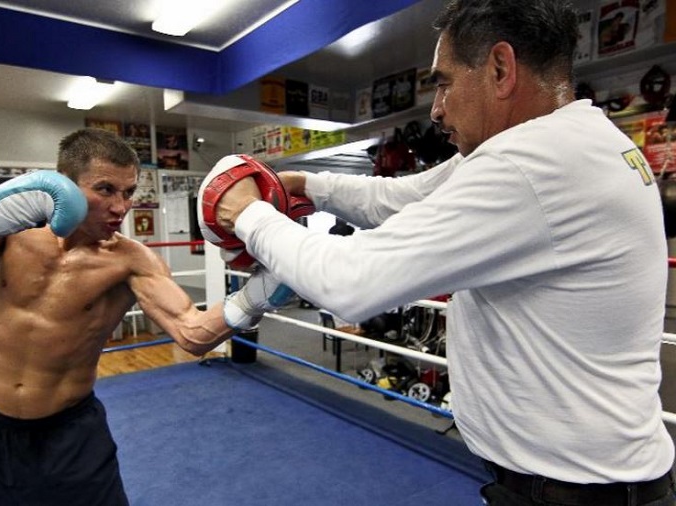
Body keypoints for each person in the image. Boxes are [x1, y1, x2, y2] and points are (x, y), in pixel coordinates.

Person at [212, 1, 676, 504]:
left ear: (500, 69)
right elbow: (400, 196)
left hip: (574, 490)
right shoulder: (567, 140)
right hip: (568, 481)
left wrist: (245, 213)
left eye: (444, 82)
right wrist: (302, 184)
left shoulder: (530, 166)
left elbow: (349, 281)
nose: (435, 109)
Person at [0, 128, 290, 505]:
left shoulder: (131, 261)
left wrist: (256, 297)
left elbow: (192, 333)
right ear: (65, 185)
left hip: (70, 437)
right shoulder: (10, 235)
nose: (121, 207)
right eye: (105, 190)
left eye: (129, 192)